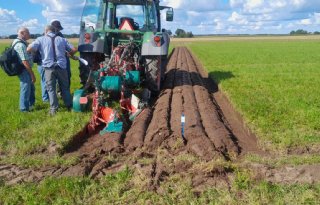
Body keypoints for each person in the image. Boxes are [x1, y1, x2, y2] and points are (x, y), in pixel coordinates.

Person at [27, 25, 77, 116]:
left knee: (51, 89)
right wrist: (70, 54)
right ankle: (69, 106)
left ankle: (54, 109)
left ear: (46, 31)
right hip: (61, 67)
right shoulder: (62, 39)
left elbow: (29, 48)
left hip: (48, 68)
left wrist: (39, 52)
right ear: (55, 31)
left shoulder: (40, 39)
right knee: (65, 87)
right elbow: (74, 49)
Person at [14, 27, 36, 112]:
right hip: (24, 70)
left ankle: (31, 105)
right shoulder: (20, 45)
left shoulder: (21, 43)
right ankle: (24, 109)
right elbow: (25, 61)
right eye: (28, 32)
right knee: (25, 88)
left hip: (25, 69)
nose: (29, 34)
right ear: (22, 33)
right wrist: (32, 74)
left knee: (30, 88)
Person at [51, 20, 71, 87]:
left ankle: (65, 91)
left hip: (64, 57)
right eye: (58, 28)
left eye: (59, 29)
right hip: (52, 60)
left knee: (67, 75)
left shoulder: (60, 35)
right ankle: (59, 92)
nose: (59, 30)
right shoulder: (46, 35)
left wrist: (67, 52)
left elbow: (65, 46)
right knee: (53, 78)